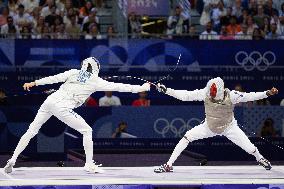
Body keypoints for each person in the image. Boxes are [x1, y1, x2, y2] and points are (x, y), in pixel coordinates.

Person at [4, 57, 150, 174]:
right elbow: (121, 87)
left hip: (49, 102)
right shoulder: (96, 81)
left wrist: (34, 82)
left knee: (31, 130)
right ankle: (88, 164)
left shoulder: (73, 72)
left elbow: (54, 78)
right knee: (87, 130)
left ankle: (12, 160)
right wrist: (142, 88)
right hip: (62, 108)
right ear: (96, 68)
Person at [154, 77, 278, 173]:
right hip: (209, 127)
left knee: (250, 149)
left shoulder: (232, 95)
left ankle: (260, 158)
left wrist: (267, 93)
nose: (211, 97)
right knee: (186, 137)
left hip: (229, 128)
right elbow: (185, 96)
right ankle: (168, 165)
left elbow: (250, 96)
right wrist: (167, 90)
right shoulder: (205, 93)